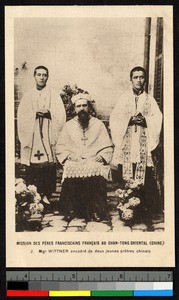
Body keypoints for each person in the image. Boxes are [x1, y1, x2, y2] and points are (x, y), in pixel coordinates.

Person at [109, 66, 163, 225]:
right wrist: (129, 120)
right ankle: (126, 209)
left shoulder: (150, 100)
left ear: (145, 79)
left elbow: (157, 118)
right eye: (136, 77)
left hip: (142, 145)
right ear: (130, 79)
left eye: (142, 77)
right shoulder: (124, 98)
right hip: (127, 143)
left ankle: (142, 211)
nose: (139, 80)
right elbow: (115, 119)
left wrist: (146, 121)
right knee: (126, 175)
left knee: (143, 175)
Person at [55, 93, 113, 222]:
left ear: (89, 107)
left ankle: (96, 210)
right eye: (78, 106)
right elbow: (60, 147)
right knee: (70, 169)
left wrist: (102, 156)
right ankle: (71, 210)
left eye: (84, 105)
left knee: (97, 169)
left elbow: (107, 146)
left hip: (93, 159)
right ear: (74, 109)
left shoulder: (98, 124)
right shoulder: (69, 125)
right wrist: (69, 155)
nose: (81, 109)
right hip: (75, 160)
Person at [17, 66, 66, 203]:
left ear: (47, 77)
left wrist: (49, 112)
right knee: (34, 167)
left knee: (48, 165)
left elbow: (60, 114)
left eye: (44, 75)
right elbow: (22, 115)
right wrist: (34, 113)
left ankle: (46, 195)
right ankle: (34, 194)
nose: (41, 77)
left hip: (48, 134)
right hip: (33, 137)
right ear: (34, 76)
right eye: (39, 74)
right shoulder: (28, 95)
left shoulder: (54, 94)